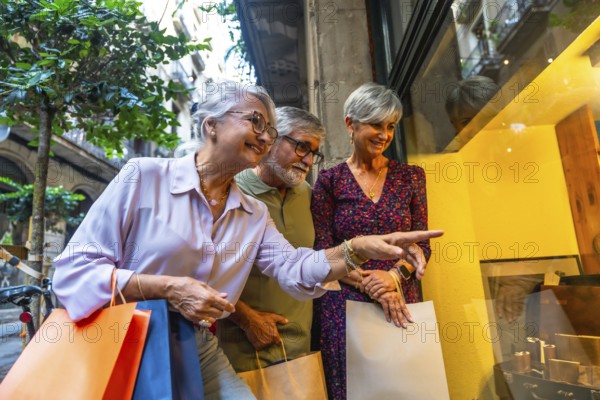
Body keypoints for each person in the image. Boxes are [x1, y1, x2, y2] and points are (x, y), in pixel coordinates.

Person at [52, 81, 442, 399]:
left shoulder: (252, 213)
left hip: (195, 343)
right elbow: (72, 274)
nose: (265, 135)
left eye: (270, 129)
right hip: (125, 339)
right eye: (256, 121)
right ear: (211, 126)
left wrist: (354, 249)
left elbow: (294, 268)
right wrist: (167, 288)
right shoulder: (143, 176)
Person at [311, 82, 432, 399]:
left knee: (407, 386)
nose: (385, 134)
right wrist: (369, 284)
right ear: (351, 124)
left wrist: (392, 278)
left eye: (391, 126)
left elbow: (423, 245)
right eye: (376, 124)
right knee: (354, 389)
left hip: (400, 298)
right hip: (346, 302)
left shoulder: (411, 177)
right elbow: (322, 253)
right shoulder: (329, 181)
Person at [217, 106, 326, 372]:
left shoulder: (309, 196)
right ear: (272, 139)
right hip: (244, 351)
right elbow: (202, 272)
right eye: (302, 147)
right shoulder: (232, 191)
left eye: (314, 153)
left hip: (301, 354)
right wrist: (246, 319)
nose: (308, 161)